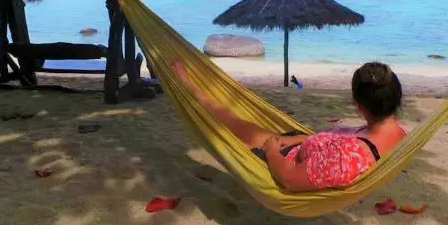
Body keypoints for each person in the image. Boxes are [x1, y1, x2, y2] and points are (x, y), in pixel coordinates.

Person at [170, 60, 408, 192]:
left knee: (230, 123)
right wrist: (295, 139)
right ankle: (189, 84)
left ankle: (187, 85)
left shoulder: (347, 159)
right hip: (300, 143)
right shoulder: (399, 133)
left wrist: (272, 149)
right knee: (238, 122)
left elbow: (291, 179)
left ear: (359, 105)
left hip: (281, 157)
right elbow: (336, 145)